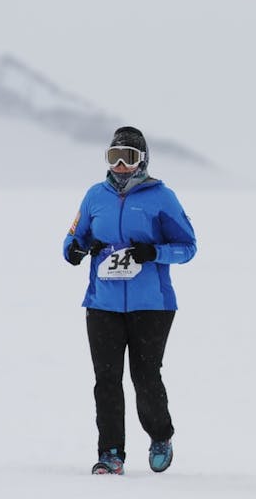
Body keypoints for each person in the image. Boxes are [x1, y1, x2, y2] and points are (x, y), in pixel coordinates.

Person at [62, 126, 198, 475]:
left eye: (129, 158)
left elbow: (188, 247)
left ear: (143, 161)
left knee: (145, 377)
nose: (121, 165)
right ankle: (111, 453)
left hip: (152, 305)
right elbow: (71, 240)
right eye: (114, 157)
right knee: (106, 380)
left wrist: (154, 252)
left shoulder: (162, 197)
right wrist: (76, 249)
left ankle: (160, 435)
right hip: (102, 303)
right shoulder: (95, 196)